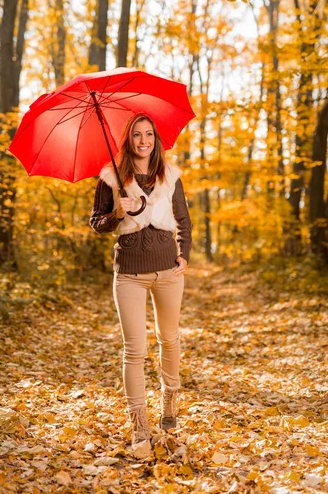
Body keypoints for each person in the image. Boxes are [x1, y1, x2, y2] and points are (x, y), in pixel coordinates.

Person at [89, 113, 192, 458]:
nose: (143, 140)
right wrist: (118, 214)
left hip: (167, 271)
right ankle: (139, 426)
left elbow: (183, 219)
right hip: (129, 273)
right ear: (128, 140)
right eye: (137, 135)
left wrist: (184, 255)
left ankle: (169, 402)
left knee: (170, 338)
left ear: (156, 139)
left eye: (149, 134)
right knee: (134, 350)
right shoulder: (111, 177)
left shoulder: (170, 175)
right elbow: (97, 224)